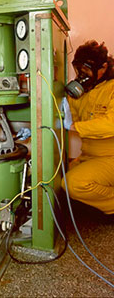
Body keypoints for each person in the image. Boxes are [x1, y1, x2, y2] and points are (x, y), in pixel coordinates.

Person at [61, 40, 114, 215]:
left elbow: (110, 124)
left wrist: (74, 126)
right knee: (55, 176)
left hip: (109, 157)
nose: (81, 75)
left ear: (103, 67)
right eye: (78, 69)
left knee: (72, 184)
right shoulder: (82, 94)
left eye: (86, 70)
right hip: (88, 156)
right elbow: (69, 120)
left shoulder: (112, 88)